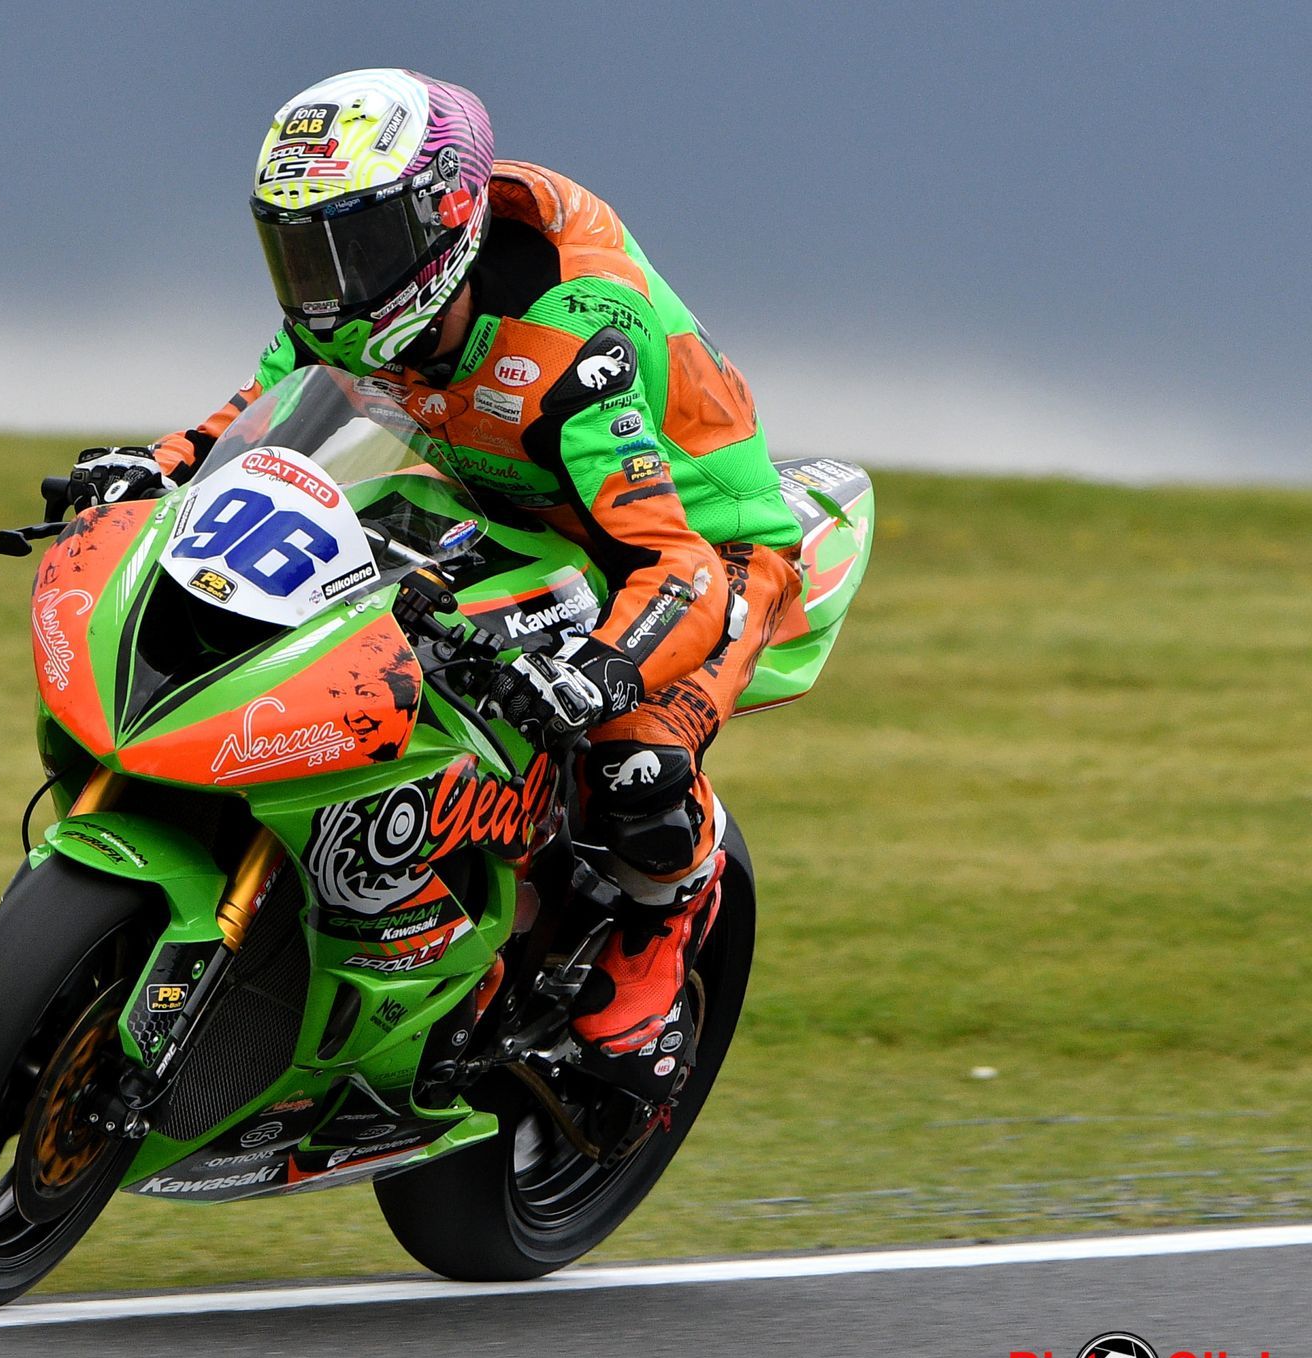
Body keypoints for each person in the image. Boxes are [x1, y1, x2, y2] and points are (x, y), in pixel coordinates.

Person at [73, 68, 802, 1086]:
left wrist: (604, 669)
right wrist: (152, 466)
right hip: (493, 497)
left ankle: (661, 944)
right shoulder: (353, 315)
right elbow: (265, 409)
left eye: (351, 246)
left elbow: (668, 564)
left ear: (440, 225)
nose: (324, 283)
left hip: (700, 546)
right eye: (299, 249)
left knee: (630, 758)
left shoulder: (571, 338)